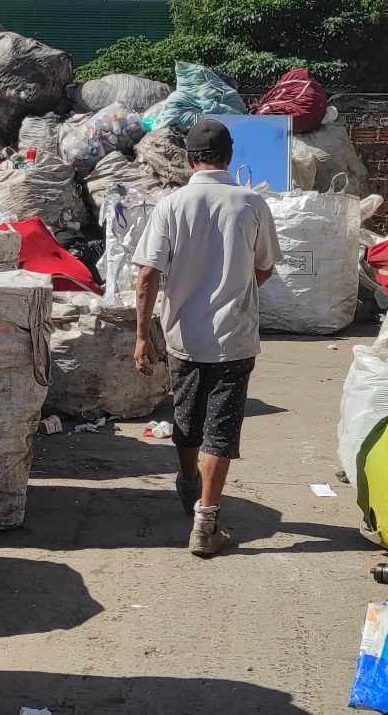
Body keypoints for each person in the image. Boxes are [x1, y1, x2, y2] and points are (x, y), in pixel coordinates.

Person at [131, 119, 281, 557]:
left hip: (184, 336)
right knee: (221, 429)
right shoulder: (252, 203)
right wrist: (237, 284)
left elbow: (147, 275)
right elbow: (265, 267)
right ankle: (206, 523)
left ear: (188, 158)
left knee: (187, 417)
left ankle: (189, 480)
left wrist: (142, 337)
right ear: (230, 157)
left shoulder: (171, 205)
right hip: (234, 338)